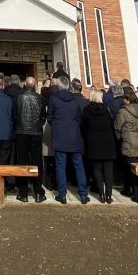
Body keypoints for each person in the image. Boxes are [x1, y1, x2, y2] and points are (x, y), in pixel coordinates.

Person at [47, 75, 89, 204]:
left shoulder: (54, 99)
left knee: (60, 165)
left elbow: (50, 117)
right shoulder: (75, 100)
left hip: (60, 135)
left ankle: (62, 194)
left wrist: (56, 125)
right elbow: (78, 117)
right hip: (74, 135)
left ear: (59, 86)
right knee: (78, 165)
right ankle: (83, 194)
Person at [82, 87, 117, 203]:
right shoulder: (107, 110)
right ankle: (109, 195)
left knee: (97, 169)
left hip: (94, 142)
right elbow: (112, 125)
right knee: (108, 170)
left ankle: (101, 194)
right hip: (107, 142)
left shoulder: (87, 110)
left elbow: (83, 126)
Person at [14, 76, 46, 203]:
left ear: (25, 85)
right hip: (35, 133)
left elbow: (15, 115)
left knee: (22, 161)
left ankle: (24, 193)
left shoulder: (19, 97)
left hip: (22, 132)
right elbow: (44, 117)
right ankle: (37, 191)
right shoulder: (40, 98)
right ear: (34, 85)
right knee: (37, 161)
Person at [116, 89, 138, 203]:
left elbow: (118, 126)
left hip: (130, 142)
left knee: (133, 170)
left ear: (127, 100)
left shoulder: (123, 111)